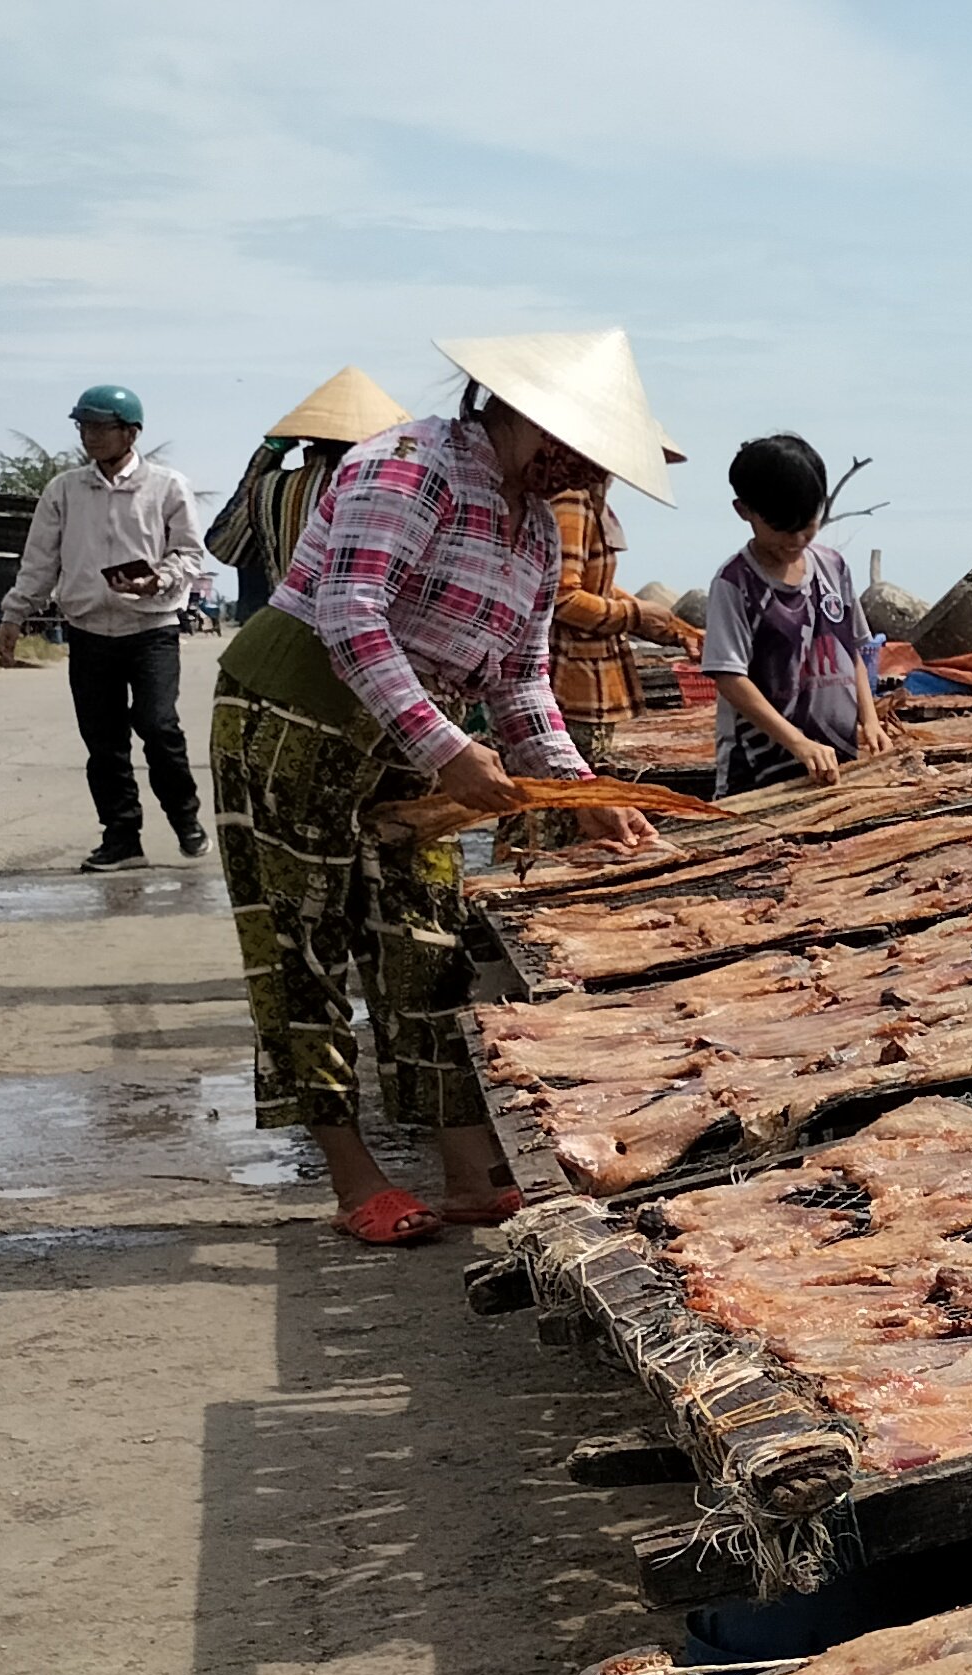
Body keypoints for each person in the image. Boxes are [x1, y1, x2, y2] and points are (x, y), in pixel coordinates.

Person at [209, 328, 674, 1247]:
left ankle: (467, 1164)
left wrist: (582, 795)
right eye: (583, 452)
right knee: (303, 943)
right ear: (528, 418)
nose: (590, 478)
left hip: (413, 743)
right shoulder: (412, 464)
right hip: (294, 714)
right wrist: (445, 744)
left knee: (426, 944)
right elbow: (352, 612)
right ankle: (354, 1175)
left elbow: (520, 679)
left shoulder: (535, 530)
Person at [0, 383, 209, 872]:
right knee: (104, 742)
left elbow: (190, 552)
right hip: (90, 630)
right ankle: (121, 838)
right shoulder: (65, 490)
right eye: (83, 427)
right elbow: (39, 561)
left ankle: (185, 818)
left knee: (159, 727)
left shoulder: (167, 486)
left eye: (99, 427)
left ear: (130, 433)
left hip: (152, 627)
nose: (89, 436)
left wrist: (161, 578)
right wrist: (14, 613)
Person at [701, 434, 889, 793]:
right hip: (760, 772)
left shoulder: (834, 568)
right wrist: (797, 742)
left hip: (837, 759)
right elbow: (731, 679)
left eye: (807, 525)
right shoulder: (735, 584)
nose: (796, 540)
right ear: (744, 510)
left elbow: (853, 654)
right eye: (781, 528)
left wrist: (870, 719)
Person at [207, 367, 413, 630]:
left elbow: (223, 546)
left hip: (286, 631)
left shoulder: (270, 487)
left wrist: (267, 454)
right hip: (368, 634)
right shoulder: (393, 492)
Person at [548, 473, 702, 772]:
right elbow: (562, 596)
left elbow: (597, 588)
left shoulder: (590, 500)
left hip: (589, 683)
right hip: (571, 684)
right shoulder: (572, 499)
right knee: (565, 795)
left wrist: (673, 629)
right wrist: (635, 614)